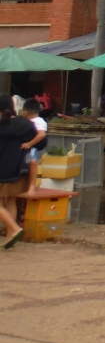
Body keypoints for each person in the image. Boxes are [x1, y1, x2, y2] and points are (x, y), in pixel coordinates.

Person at [0, 95, 36, 248]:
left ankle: (15, 228)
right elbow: (41, 141)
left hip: (3, 170)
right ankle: (10, 236)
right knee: (10, 201)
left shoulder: (2, 125)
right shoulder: (24, 124)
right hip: (19, 169)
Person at [20, 98, 47, 194]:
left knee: (32, 161)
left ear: (25, 112)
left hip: (32, 146)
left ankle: (32, 185)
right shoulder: (24, 121)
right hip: (24, 145)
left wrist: (30, 144)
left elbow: (41, 134)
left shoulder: (38, 121)